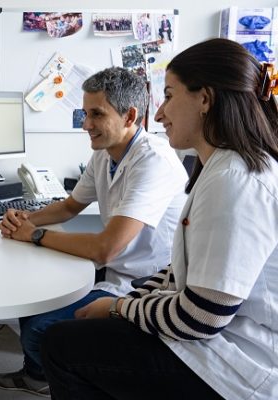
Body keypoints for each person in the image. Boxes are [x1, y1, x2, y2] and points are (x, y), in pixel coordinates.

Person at [41, 38, 278, 400]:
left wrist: (121, 307)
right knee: (73, 332)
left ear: (205, 99)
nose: (161, 113)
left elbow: (203, 317)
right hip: (212, 332)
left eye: (168, 95)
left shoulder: (234, 180)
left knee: (59, 343)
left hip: (233, 361)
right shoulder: (221, 167)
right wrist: (134, 298)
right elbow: (181, 270)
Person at [0, 67, 188, 397]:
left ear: (130, 116)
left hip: (148, 284)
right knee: (30, 294)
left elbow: (105, 249)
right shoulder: (104, 153)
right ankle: (38, 375)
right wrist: (27, 219)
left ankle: (65, 376)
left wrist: (34, 235)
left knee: (41, 330)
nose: (85, 125)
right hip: (115, 269)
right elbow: (69, 207)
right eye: (84, 113)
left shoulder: (153, 161)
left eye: (96, 114)